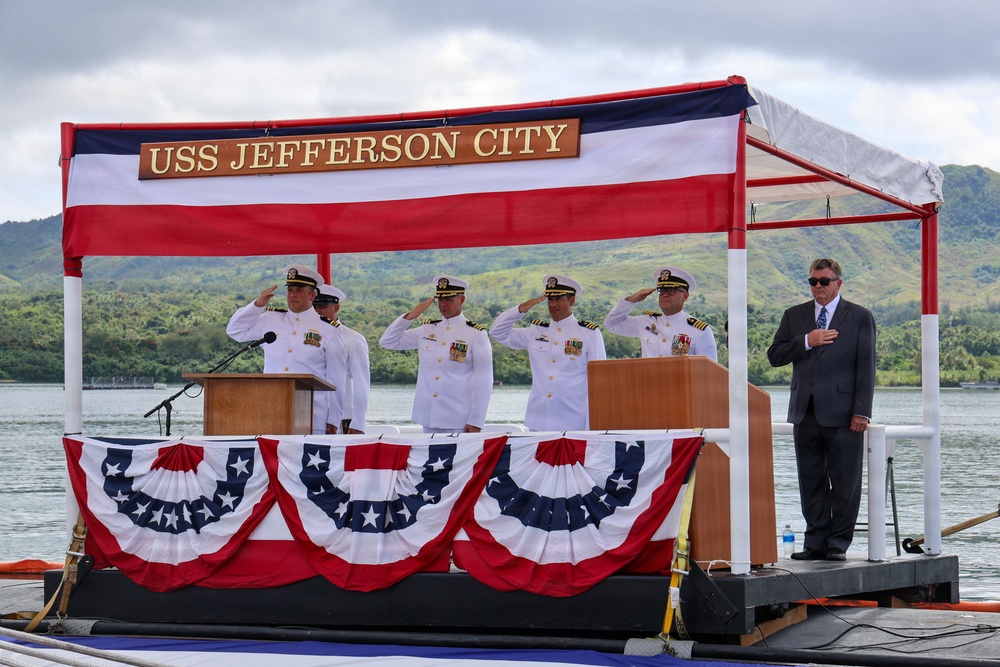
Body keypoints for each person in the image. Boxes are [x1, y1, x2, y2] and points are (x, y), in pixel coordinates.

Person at [767, 258, 876, 562]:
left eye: (824, 282)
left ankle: (838, 544)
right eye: (813, 282)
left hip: (844, 413)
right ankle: (814, 542)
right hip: (805, 411)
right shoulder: (794, 316)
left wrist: (862, 411)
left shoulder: (859, 316)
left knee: (845, 481)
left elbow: (866, 367)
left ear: (838, 283)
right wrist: (806, 341)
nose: (818, 287)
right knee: (810, 480)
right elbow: (774, 355)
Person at [226, 264, 346, 434]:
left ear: (312, 295)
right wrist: (257, 305)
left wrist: (334, 418)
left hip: (313, 416)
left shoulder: (329, 330)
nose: (292, 294)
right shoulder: (271, 319)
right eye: (289, 290)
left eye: (299, 289)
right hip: (272, 412)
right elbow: (235, 331)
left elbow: (337, 379)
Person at [489, 274, 606, 431]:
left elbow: (598, 382)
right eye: (550, 299)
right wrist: (521, 309)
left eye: (559, 299)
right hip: (538, 422)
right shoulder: (535, 332)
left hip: (573, 422)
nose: (553, 304)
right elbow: (497, 332)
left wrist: (591, 428)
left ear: (571, 300)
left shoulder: (589, 333)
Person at [379, 275, 493, 433]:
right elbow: (388, 341)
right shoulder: (427, 330)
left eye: (448, 300)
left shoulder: (475, 334)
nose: (442, 304)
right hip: (428, 418)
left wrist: (476, 421)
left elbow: (485, 381)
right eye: (440, 300)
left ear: (462, 299)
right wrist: (410, 316)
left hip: (458, 420)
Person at [603, 266, 718, 361]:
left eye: (671, 290)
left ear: (685, 296)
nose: (665, 294)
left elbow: (709, 373)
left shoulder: (700, 331)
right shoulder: (646, 322)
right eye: (662, 290)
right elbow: (611, 324)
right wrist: (632, 299)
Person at [314, 284, 370, 434]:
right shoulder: (304, 337)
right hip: (311, 414)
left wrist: (358, 423)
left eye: (322, 306)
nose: (317, 311)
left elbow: (361, 383)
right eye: (314, 306)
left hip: (342, 417)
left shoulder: (353, 339)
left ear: (336, 308)